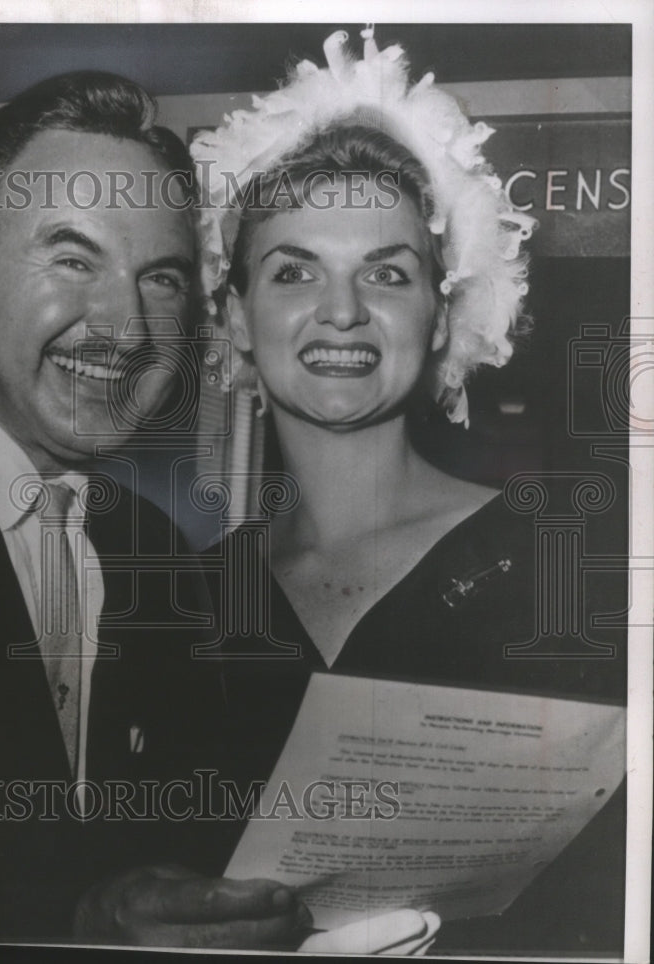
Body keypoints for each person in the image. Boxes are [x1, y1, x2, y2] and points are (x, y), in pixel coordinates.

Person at [0, 68, 440, 953]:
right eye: (73, 259)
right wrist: (75, 926)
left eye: (159, 278)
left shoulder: (147, 547)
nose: (125, 326)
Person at [190, 28, 627, 956]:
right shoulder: (197, 599)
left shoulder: (571, 564)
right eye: (294, 271)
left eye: (386, 274)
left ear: (439, 315)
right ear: (236, 315)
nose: (341, 311)